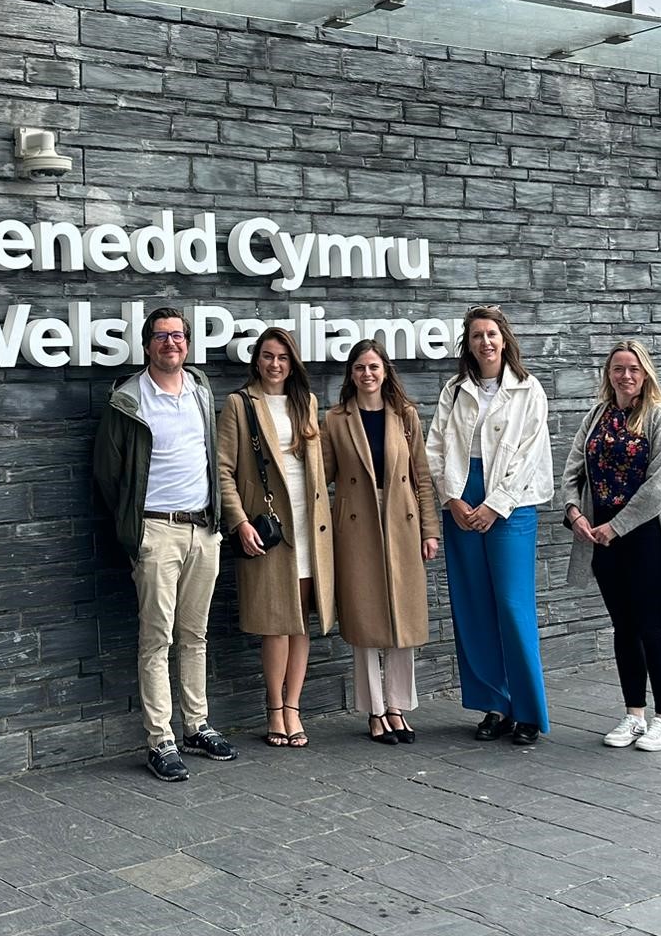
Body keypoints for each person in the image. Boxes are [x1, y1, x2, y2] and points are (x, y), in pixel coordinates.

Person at [92, 306, 238, 782]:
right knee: (157, 639)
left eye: (177, 336)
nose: (170, 344)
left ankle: (197, 724)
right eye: (160, 336)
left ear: (188, 344)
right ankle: (161, 739)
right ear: (147, 345)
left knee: (194, 636)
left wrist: (215, 520)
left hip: (203, 530)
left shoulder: (200, 389)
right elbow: (108, 473)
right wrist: (135, 529)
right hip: (156, 532)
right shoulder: (128, 400)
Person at [425, 305, 553, 746]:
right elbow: (435, 448)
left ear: (505, 339)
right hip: (461, 496)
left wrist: (495, 504)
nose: (485, 342)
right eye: (477, 335)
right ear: (469, 343)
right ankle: (494, 705)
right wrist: (453, 499)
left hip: (511, 505)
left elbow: (528, 455)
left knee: (512, 607)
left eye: (492, 334)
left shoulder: (528, 389)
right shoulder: (455, 389)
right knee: (473, 605)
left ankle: (528, 712)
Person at [561, 339, 661, 752]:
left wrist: (616, 526)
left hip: (645, 538)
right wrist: (574, 513)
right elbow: (572, 469)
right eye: (618, 368)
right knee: (623, 628)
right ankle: (634, 715)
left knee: (651, 626)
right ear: (608, 374)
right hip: (601, 539)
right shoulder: (597, 415)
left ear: (646, 372)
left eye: (633, 368)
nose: (626, 375)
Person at [218, 327, 335, 749]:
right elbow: (223, 470)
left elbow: (317, 467)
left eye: (283, 357)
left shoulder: (306, 403)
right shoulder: (239, 404)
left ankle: (294, 707)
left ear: (292, 362)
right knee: (275, 622)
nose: (274, 364)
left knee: (300, 619)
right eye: (268, 356)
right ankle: (273, 708)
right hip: (267, 526)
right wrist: (239, 522)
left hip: (308, 521)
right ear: (257, 360)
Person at [323, 339, 440, 745]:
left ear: (385, 371)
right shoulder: (336, 419)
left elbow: (421, 477)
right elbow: (323, 477)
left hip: (401, 525)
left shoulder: (405, 416)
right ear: (351, 374)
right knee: (366, 620)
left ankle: (397, 707)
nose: (367, 374)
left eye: (374, 367)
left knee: (403, 620)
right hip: (357, 529)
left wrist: (429, 530)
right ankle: (374, 710)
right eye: (359, 368)